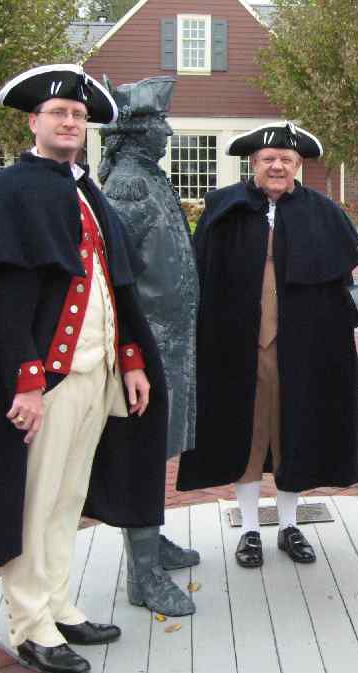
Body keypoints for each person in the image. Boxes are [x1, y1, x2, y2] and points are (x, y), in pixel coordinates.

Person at [0, 64, 170, 673]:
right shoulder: (10, 193)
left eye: (79, 115)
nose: (70, 122)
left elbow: (114, 288)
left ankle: (57, 603)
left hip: (98, 374)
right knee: (35, 503)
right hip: (51, 381)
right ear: (33, 121)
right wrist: (27, 380)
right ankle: (31, 622)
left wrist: (133, 361)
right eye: (58, 114)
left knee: (67, 498)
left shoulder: (84, 190)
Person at [177, 121, 358, 567]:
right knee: (246, 434)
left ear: (298, 165)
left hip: (303, 349)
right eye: (267, 159)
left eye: (285, 159)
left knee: (293, 432)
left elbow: (342, 284)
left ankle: (290, 525)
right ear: (252, 164)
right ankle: (248, 529)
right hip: (237, 348)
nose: (276, 165)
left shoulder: (323, 212)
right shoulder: (225, 209)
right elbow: (199, 276)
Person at [98, 75, 197, 618]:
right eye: (158, 126)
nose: (167, 133)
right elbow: (120, 275)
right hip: (150, 344)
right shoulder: (130, 185)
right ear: (136, 133)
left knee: (155, 449)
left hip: (171, 340)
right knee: (139, 454)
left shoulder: (149, 178)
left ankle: (151, 542)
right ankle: (143, 575)